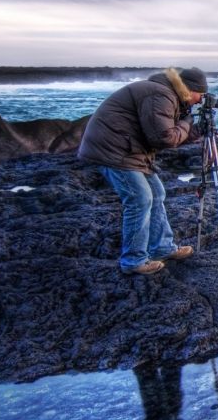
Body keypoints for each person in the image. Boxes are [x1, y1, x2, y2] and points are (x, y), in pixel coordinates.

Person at [78, 67, 208, 275]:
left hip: (129, 149)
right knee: (140, 200)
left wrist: (191, 130)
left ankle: (162, 248)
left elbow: (164, 132)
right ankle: (133, 261)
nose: (200, 100)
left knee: (157, 194)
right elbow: (164, 138)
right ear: (190, 89)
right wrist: (186, 122)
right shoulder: (161, 94)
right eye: (200, 95)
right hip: (114, 150)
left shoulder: (164, 93)